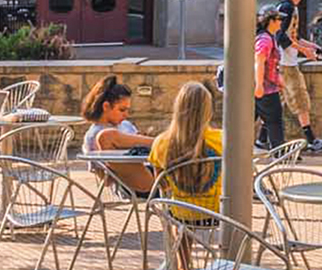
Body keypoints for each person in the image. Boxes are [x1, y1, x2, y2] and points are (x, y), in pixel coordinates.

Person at [276, 0, 322, 153]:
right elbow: (281, 37)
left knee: (279, 102)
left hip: (284, 62)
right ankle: (311, 140)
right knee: (300, 100)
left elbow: (294, 36)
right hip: (285, 63)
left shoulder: (292, 7)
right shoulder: (287, 7)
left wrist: (312, 47)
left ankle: (262, 140)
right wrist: (304, 51)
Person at [149, 81, 223, 214]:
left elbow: (162, 184)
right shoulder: (223, 140)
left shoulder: (161, 142)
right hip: (219, 214)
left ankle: (183, 233)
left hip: (181, 214)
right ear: (208, 110)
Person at [81, 75, 156, 195]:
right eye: (122, 110)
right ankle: (165, 142)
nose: (126, 115)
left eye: (127, 110)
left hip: (151, 169)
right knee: (107, 136)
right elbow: (105, 181)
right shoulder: (93, 135)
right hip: (128, 184)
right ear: (106, 106)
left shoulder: (126, 125)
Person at [254, 4, 285, 150]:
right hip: (266, 91)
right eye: (279, 19)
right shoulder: (265, 40)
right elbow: (259, 61)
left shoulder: (268, 37)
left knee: (250, 122)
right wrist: (259, 85)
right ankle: (279, 154)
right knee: (274, 122)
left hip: (266, 88)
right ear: (271, 20)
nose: (281, 22)